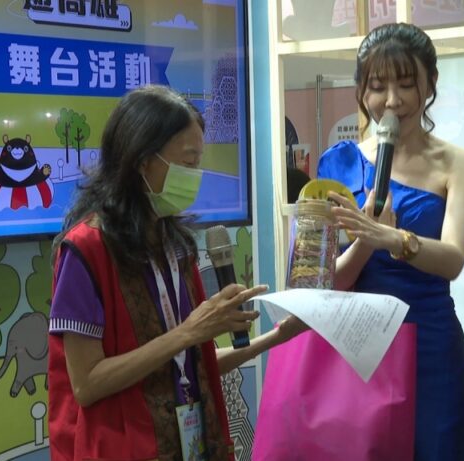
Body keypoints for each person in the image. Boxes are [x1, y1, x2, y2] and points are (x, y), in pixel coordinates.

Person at [47, 85, 305, 461]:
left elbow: (191, 364)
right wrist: (189, 332)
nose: (196, 176)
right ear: (142, 161)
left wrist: (277, 337)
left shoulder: (174, 246)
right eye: (188, 162)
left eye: (198, 163)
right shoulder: (85, 250)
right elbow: (86, 384)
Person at [323, 23, 464, 460]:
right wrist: (367, 241)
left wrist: (393, 237)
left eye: (407, 84)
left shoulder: (460, 164)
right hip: (360, 349)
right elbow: (327, 282)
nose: (392, 101)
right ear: (361, 90)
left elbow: (453, 259)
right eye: (378, 87)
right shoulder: (338, 163)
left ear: (430, 83)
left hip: (431, 346)